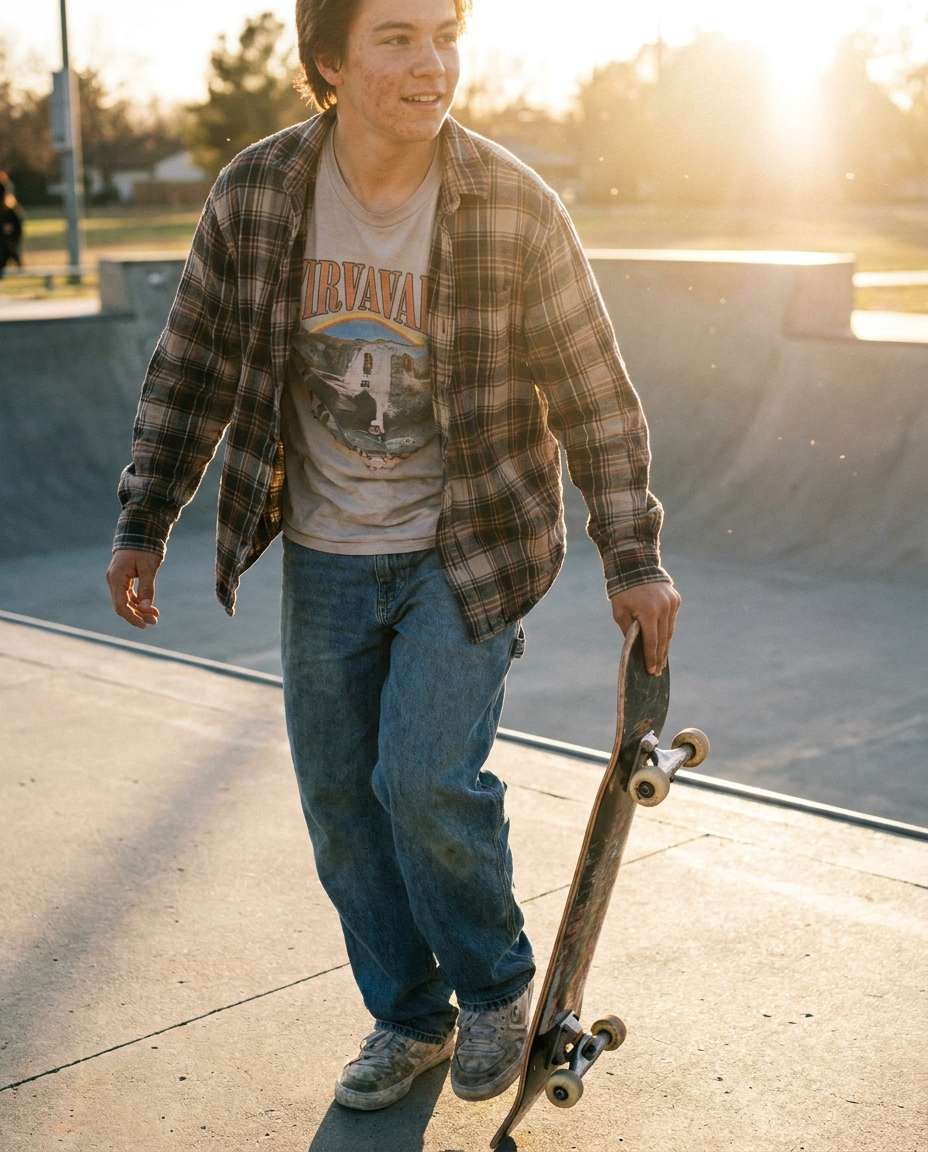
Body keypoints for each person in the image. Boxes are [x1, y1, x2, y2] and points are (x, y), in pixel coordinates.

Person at [106, 0, 680, 1114]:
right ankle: (408, 1016)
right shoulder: (260, 191)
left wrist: (632, 553)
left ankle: (496, 984)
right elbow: (194, 364)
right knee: (339, 799)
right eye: (398, 38)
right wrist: (145, 519)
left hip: (467, 547)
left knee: (419, 776)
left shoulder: (511, 205)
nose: (433, 65)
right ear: (328, 60)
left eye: (445, 35)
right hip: (322, 551)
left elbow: (593, 391)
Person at [0, 171, 24, 276]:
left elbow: (17, 226)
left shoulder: (9, 206)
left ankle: (16, 260)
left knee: (7, 247)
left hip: (7, 239)